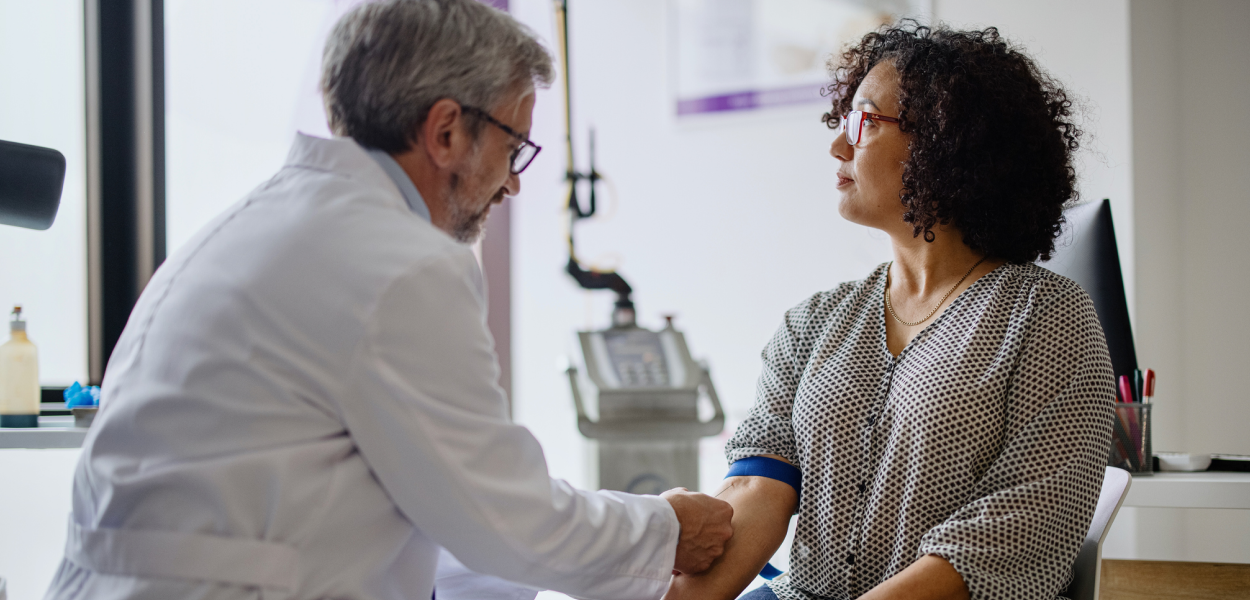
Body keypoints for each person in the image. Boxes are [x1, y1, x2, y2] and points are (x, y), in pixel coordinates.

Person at [44, 1, 732, 599]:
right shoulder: (401, 264)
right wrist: (666, 530)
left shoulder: (253, 225)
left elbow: (427, 514)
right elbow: (508, 520)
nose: (514, 184)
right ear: (444, 132)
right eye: (515, 146)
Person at [662, 22, 1115, 600]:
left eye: (864, 121)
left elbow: (1018, 525)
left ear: (946, 141)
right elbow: (757, 488)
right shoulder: (814, 323)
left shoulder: (1046, 315)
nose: (837, 145)